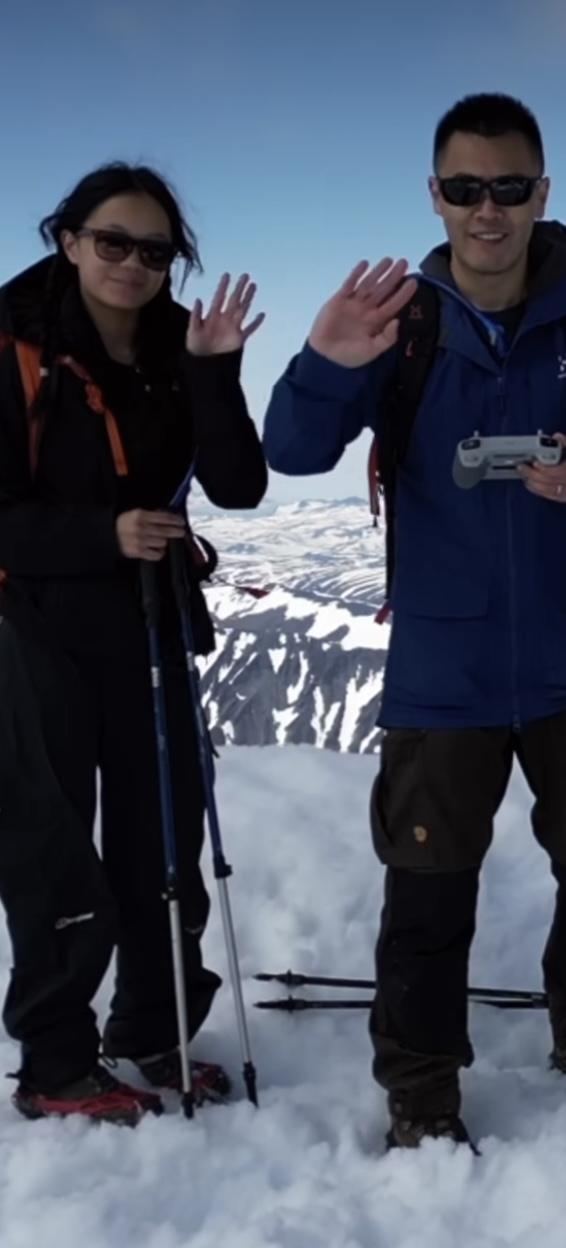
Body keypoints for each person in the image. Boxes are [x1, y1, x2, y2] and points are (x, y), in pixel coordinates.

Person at [264, 92, 566, 1148]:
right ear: (436, 196)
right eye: (465, 188)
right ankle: (420, 1092)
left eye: (507, 188)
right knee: (427, 892)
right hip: (442, 667)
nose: (487, 209)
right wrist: (325, 362)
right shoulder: (400, 327)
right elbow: (290, 451)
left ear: (541, 194)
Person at [0, 162, 268, 1125]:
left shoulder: (175, 347)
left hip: (149, 622)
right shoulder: (13, 347)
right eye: (111, 242)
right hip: (32, 631)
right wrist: (102, 534)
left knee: (165, 835)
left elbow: (237, 485)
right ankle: (57, 1061)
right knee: (53, 847)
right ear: (67, 240)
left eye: (154, 250)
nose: (132, 264)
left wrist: (217, 373)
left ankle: (156, 1030)